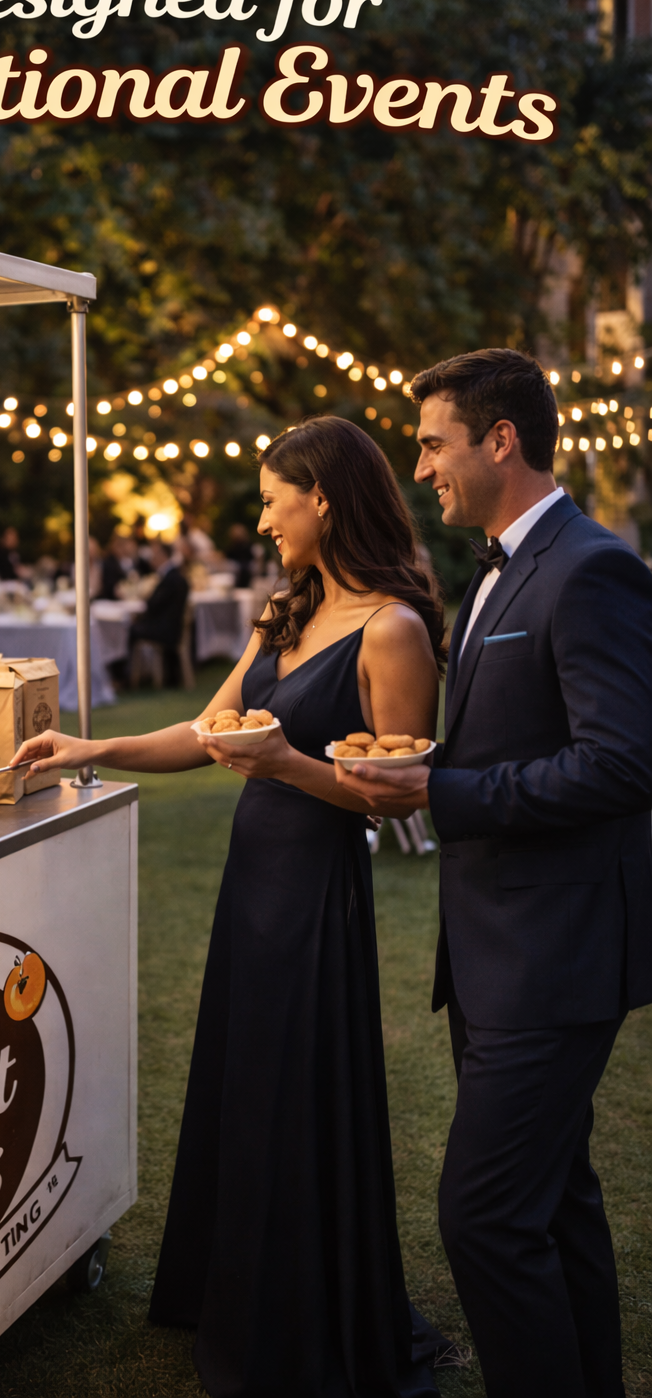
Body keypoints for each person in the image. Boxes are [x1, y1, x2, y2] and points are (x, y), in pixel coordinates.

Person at [10, 417, 453, 1396]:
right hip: (251, 876)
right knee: (243, 1080)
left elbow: (398, 788)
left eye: (269, 498)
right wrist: (91, 750)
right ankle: (234, 1286)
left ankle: (305, 1311)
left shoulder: (393, 628)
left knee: (298, 1088)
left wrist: (288, 762)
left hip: (317, 887)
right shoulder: (278, 615)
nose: (261, 519)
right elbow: (207, 732)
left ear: (322, 498)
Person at [335, 349, 652, 1398]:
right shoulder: (497, 567)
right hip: (491, 951)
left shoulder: (588, 566)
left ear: (499, 439)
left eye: (431, 443)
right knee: (554, 1201)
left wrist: (443, 795)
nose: (419, 467)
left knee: (482, 1216)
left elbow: (623, 762)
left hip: (554, 955)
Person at [128, 538, 189, 686]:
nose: (151, 558)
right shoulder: (176, 576)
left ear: (163, 555)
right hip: (173, 628)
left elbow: (153, 605)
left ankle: (131, 678)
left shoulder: (170, 578)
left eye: (154, 554)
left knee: (130, 630)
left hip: (166, 630)